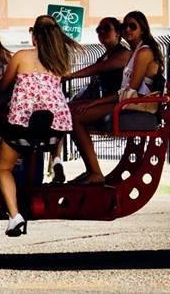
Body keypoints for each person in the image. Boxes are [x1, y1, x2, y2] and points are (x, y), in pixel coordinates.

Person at [0, 15, 78, 237]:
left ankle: (15, 216)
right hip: (54, 129)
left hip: (23, 126)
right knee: (51, 126)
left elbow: (3, 85)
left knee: (3, 168)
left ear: (34, 35)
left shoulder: (21, 57)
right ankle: (56, 158)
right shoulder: (59, 62)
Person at [69, 11, 162, 185]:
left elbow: (129, 91)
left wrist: (95, 103)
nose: (127, 29)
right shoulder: (135, 52)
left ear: (142, 29)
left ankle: (95, 172)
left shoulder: (143, 52)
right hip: (128, 101)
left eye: (132, 26)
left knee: (75, 118)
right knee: (73, 112)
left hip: (136, 103)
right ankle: (90, 170)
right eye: (124, 26)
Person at [51, 17, 130, 183]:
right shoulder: (105, 55)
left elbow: (100, 68)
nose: (101, 32)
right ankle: (57, 161)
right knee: (63, 111)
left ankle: (95, 172)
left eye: (106, 29)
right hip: (108, 100)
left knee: (74, 117)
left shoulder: (123, 54)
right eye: (98, 30)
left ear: (117, 34)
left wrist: (70, 76)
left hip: (119, 102)